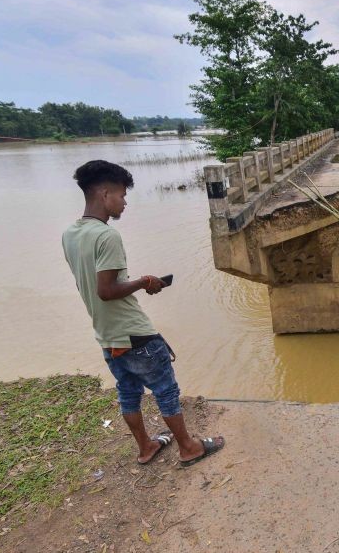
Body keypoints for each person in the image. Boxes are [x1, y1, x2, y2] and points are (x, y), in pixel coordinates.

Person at [62, 160, 224, 467]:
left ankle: (145, 447)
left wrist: (135, 283)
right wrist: (144, 282)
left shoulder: (70, 234)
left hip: (106, 335)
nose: (125, 202)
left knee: (128, 392)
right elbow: (107, 290)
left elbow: (95, 286)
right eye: (122, 195)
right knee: (165, 390)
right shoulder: (107, 236)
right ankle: (189, 448)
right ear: (104, 193)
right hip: (134, 333)